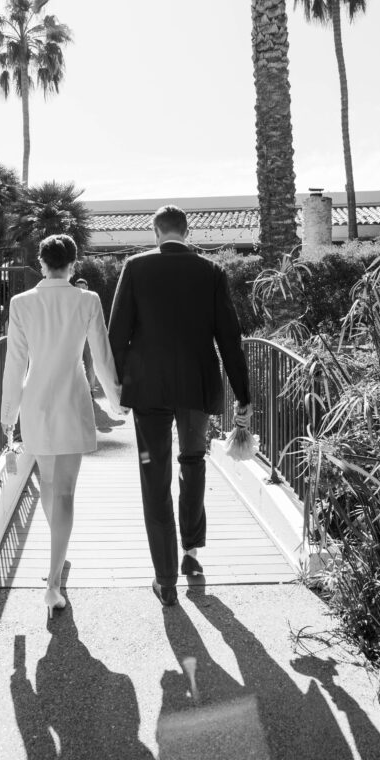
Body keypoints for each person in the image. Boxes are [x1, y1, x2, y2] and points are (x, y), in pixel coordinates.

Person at [108, 204, 251, 608]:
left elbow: (116, 335)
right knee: (192, 461)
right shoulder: (210, 272)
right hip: (196, 386)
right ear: (187, 232)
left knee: (155, 477)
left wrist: (116, 385)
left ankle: (165, 579)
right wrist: (244, 394)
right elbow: (229, 338)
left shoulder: (135, 268)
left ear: (156, 232)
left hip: (148, 389)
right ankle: (190, 549)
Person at [0, 234, 123, 618]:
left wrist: (8, 416)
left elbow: (15, 363)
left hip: (36, 404)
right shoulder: (87, 300)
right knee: (65, 492)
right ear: (74, 264)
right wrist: (117, 403)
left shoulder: (22, 303)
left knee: (50, 489)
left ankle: (56, 564)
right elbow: (101, 355)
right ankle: (54, 580)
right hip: (72, 399)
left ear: (41, 262)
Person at [73, 278, 96, 394]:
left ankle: (90, 390)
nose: (81, 290)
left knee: (89, 364)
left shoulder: (92, 300)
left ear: (87, 287)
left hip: (87, 336)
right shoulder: (71, 301)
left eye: (83, 288)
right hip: (74, 337)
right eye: (78, 288)